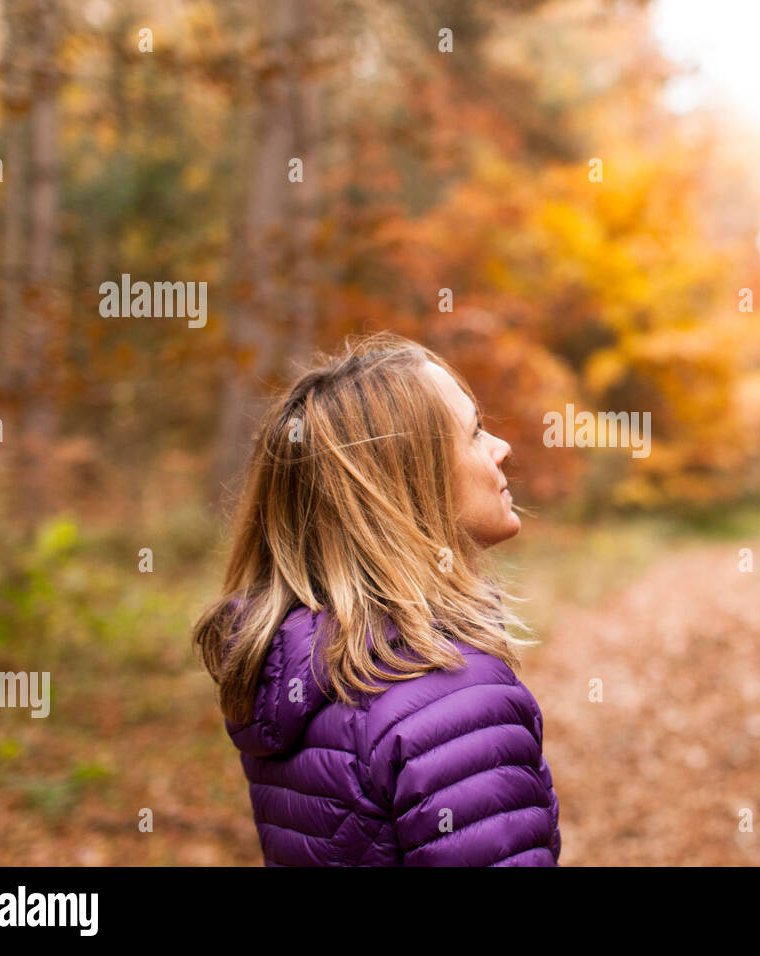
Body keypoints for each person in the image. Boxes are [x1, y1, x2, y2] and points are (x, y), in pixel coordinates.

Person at [192, 331, 561, 866]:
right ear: (409, 484)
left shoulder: (298, 679)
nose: (502, 448)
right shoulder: (451, 697)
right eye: (476, 432)